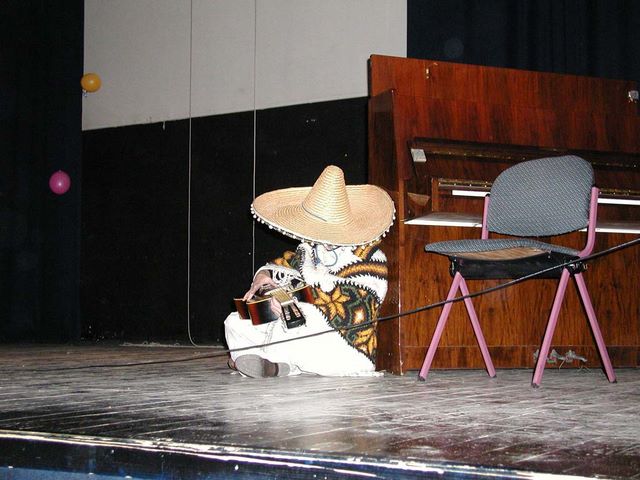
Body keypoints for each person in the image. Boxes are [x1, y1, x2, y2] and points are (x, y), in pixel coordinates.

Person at [224, 165, 395, 378]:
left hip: (341, 344)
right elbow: (279, 266)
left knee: (306, 320)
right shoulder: (309, 249)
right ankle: (279, 364)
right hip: (297, 331)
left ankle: (268, 360)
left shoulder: (370, 257)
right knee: (235, 321)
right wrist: (262, 279)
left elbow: (351, 309)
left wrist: (292, 306)